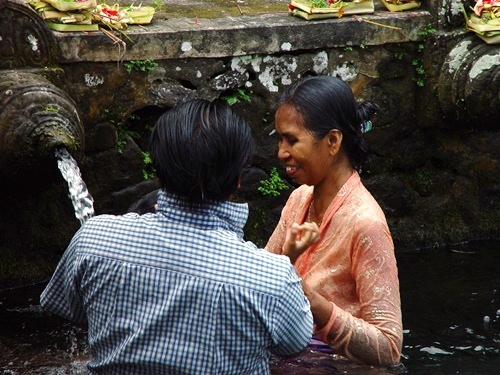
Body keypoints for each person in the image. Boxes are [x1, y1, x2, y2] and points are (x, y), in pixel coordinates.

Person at [40, 99, 320, 374]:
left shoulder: (92, 240)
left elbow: (67, 309)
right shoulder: (272, 278)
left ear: (158, 172)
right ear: (236, 179)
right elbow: (294, 343)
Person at [265, 76, 403, 366]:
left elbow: (389, 348)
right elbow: (262, 278)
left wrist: (312, 303)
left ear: (332, 141)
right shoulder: (298, 200)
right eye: (279, 139)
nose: (281, 152)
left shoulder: (366, 224)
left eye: (291, 140)